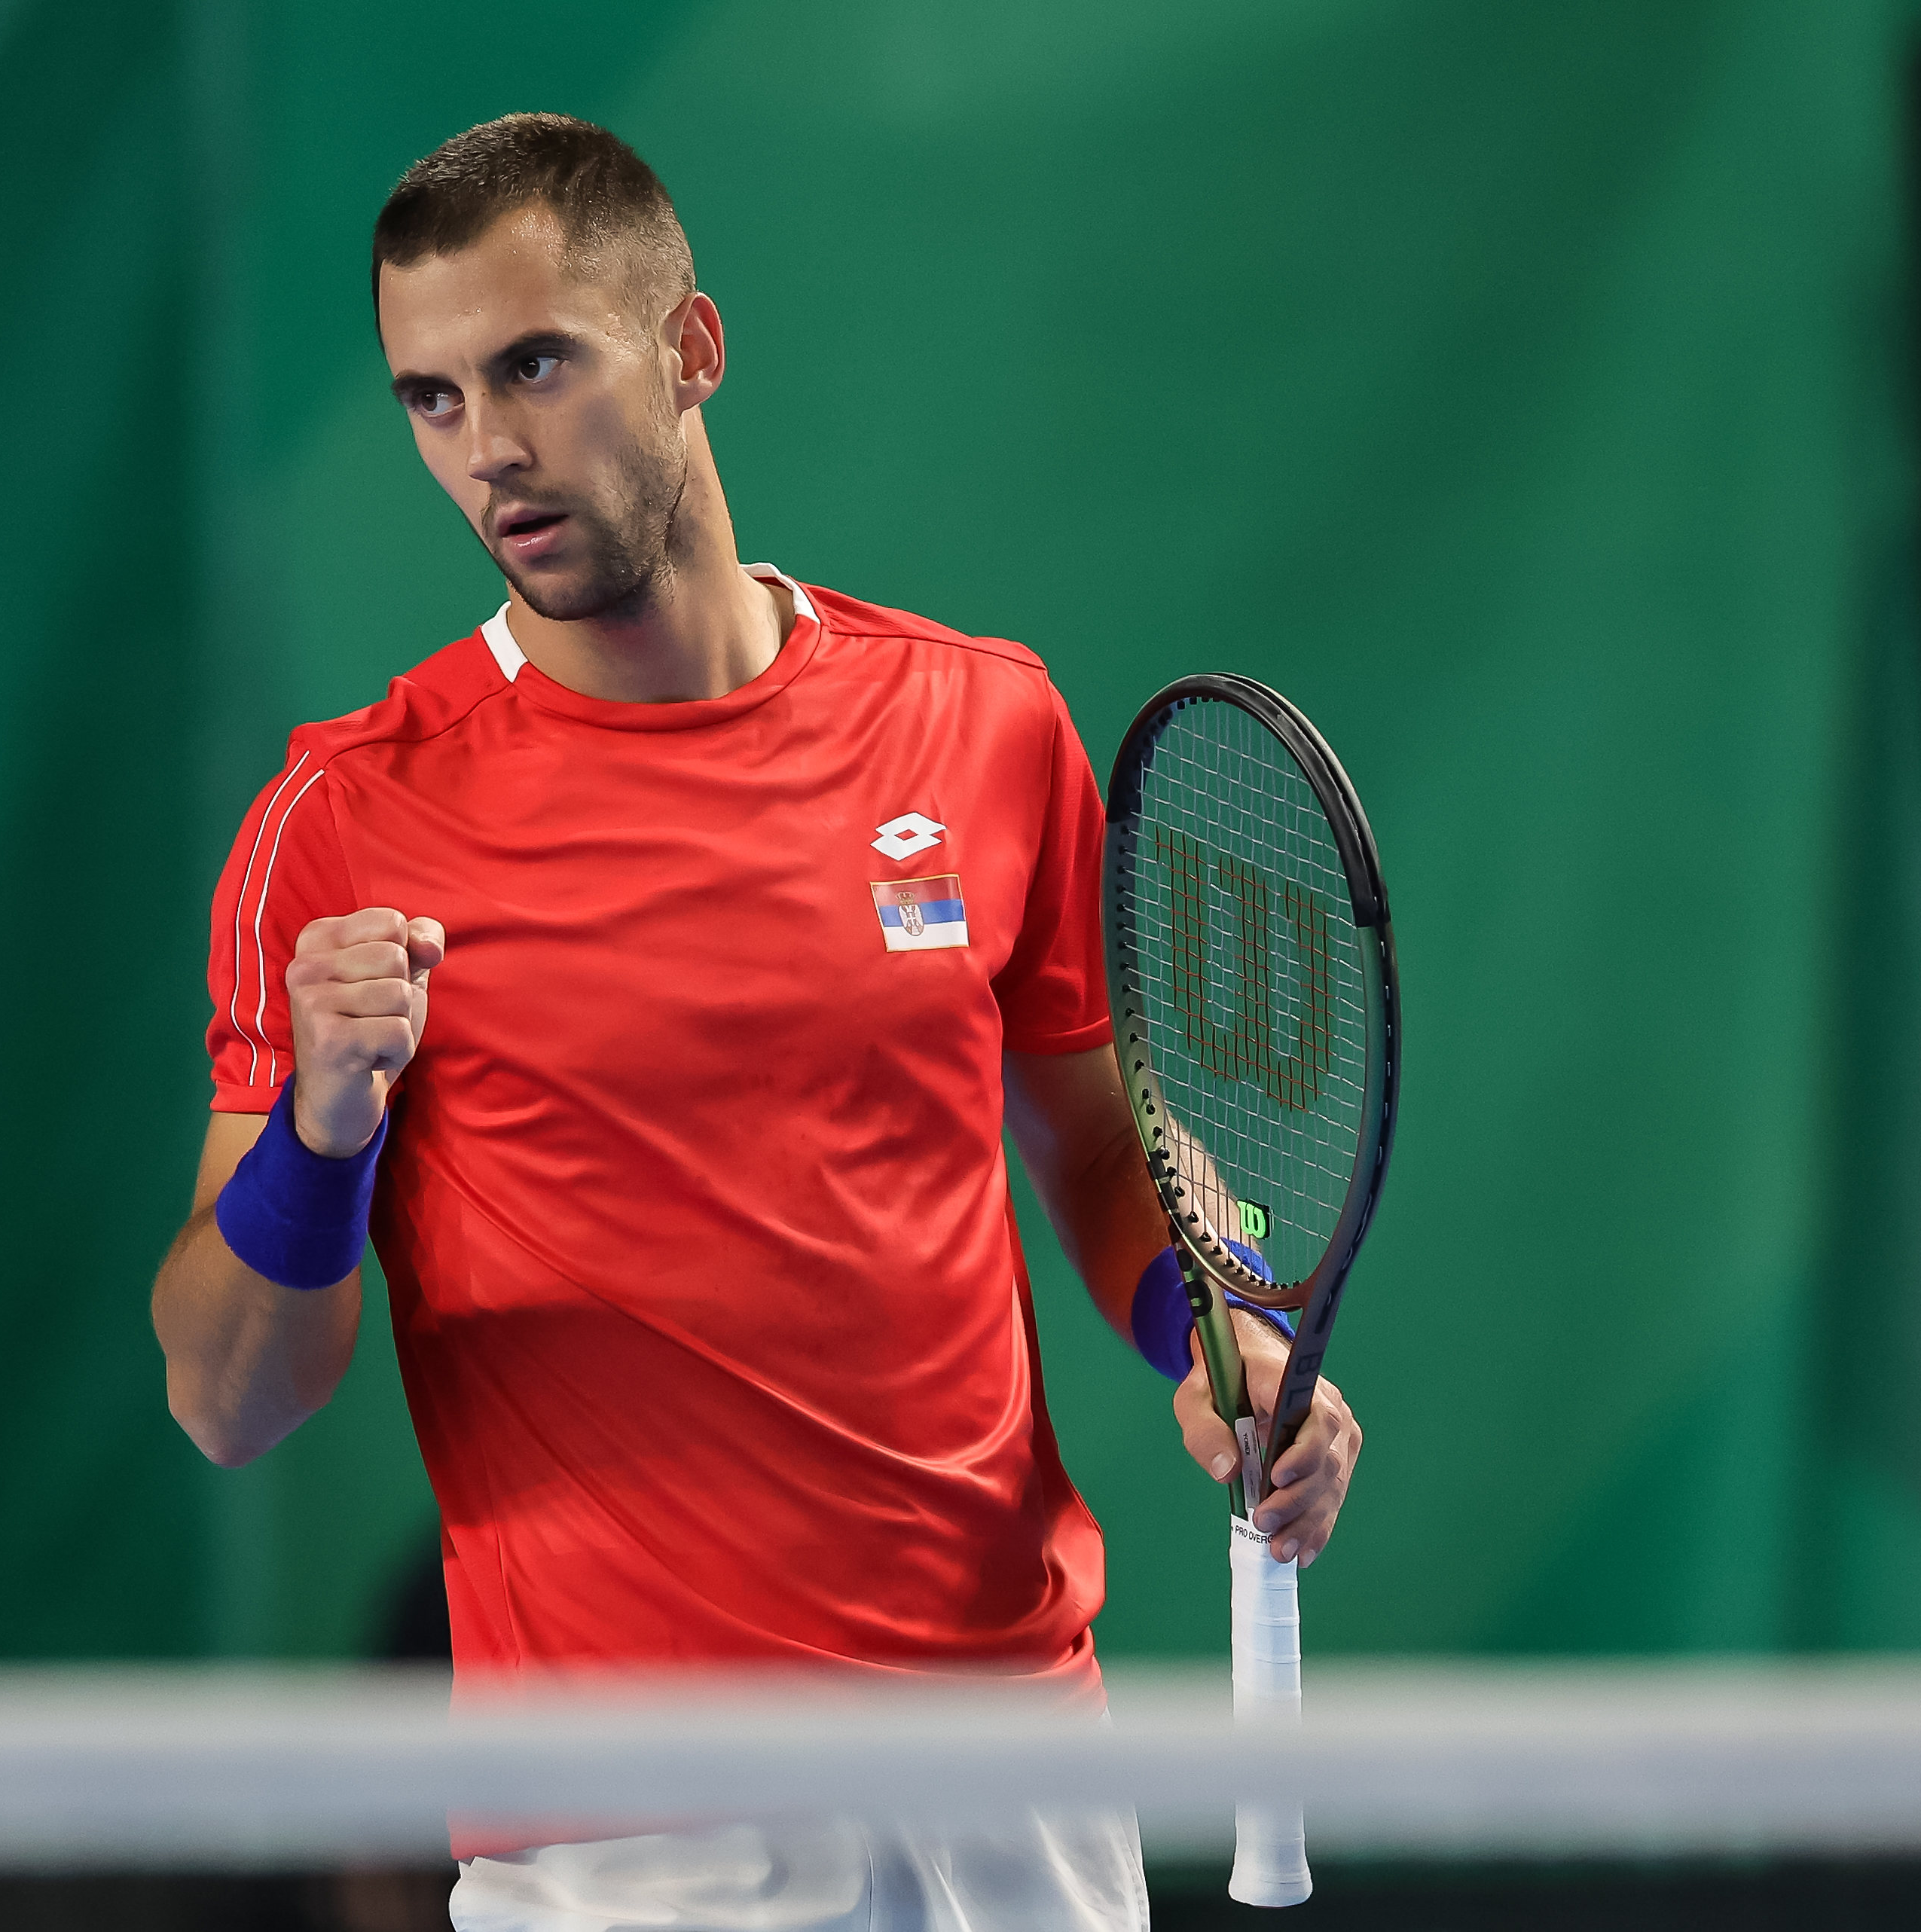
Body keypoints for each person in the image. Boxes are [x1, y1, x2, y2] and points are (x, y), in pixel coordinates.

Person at [150, 113, 1362, 1932]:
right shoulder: (339, 826)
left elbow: (1106, 1142)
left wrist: (1214, 1320)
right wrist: (322, 1138)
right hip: (634, 1833)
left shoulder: (982, 725)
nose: (489, 450)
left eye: (534, 365)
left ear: (690, 347)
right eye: (430, 398)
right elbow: (227, 1395)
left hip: (1015, 1765)